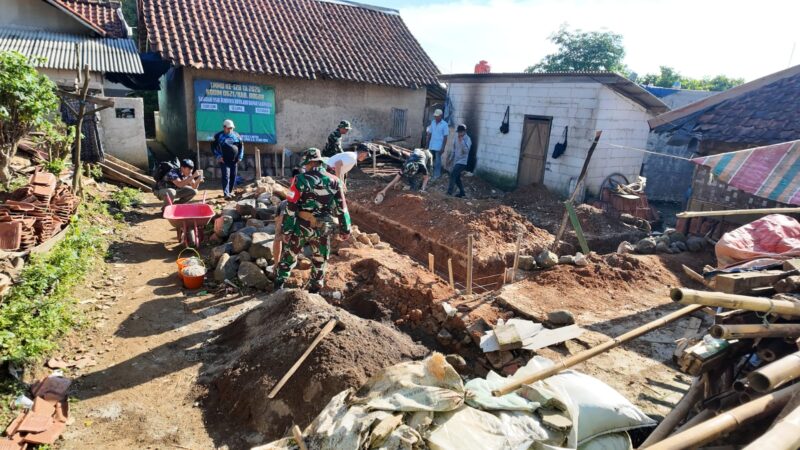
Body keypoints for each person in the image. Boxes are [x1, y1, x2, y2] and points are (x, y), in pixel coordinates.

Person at [275, 148, 351, 293]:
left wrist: (287, 230)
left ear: (309, 162)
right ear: (320, 161)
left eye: (306, 164)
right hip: (322, 229)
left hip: (300, 227)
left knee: (288, 258)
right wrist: (345, 229)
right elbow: (342, 208)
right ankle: (314, 292)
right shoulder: (335, 181)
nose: (306, 167)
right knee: (320, 260)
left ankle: (278, 288)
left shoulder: (299, 180)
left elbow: (291, 207)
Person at [212, 119, 244, 199]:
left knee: (233, 176)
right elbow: (213, 147)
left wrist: (240, 156)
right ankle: (226, 194)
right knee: (226, 176)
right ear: (224, 127)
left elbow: (241, 146)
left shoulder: (237, 135)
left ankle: (229, 191)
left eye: (231, 128)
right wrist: (218, 156)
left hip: (234, 160)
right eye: (228, 128)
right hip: (224, 160)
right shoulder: (218, 136)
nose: (230, 130)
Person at [447, 124, 471, 198]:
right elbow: (454, 150)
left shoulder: (467, 139)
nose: (459, 134)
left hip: (462, 161)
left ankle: (449, 192)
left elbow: (466, 151)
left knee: (453, 175)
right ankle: (462, 193)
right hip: (456, 161)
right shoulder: (456, 138)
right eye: (458, 132)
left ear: (464, 131)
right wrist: (450, 159)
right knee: (457, 178)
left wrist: (462, 142)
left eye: (460, 132)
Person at [425, 109, 448, 179]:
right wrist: (427, 144)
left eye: (437, 116)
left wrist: (443, 147)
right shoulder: (433, 122)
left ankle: (437, 175)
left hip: (439, 146)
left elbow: (445, 136)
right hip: (432, 145)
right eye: (435, 116)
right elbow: (429, 133)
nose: (435, 117)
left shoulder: (445, 124)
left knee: (438, 161)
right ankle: (429, 174)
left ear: (441, 116)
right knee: (430, 160)